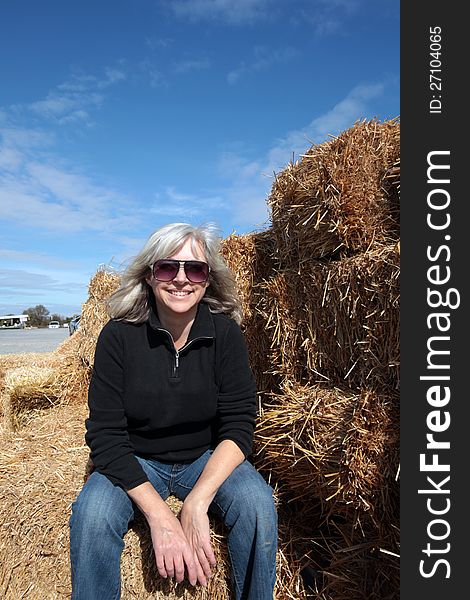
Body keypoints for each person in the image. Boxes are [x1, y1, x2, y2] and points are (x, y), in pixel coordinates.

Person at [69, 222, 278, 600]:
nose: (181, 279)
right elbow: (105, 436)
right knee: (92, 514)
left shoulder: (226, 335)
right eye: (167, 268)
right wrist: (160, 517)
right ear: (150, 276)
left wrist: (197, 502)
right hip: (137, 459)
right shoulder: (117, 336)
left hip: (203, 457)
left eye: (194, 269)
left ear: (208, 279)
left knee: (257, 504)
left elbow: (239, 424)